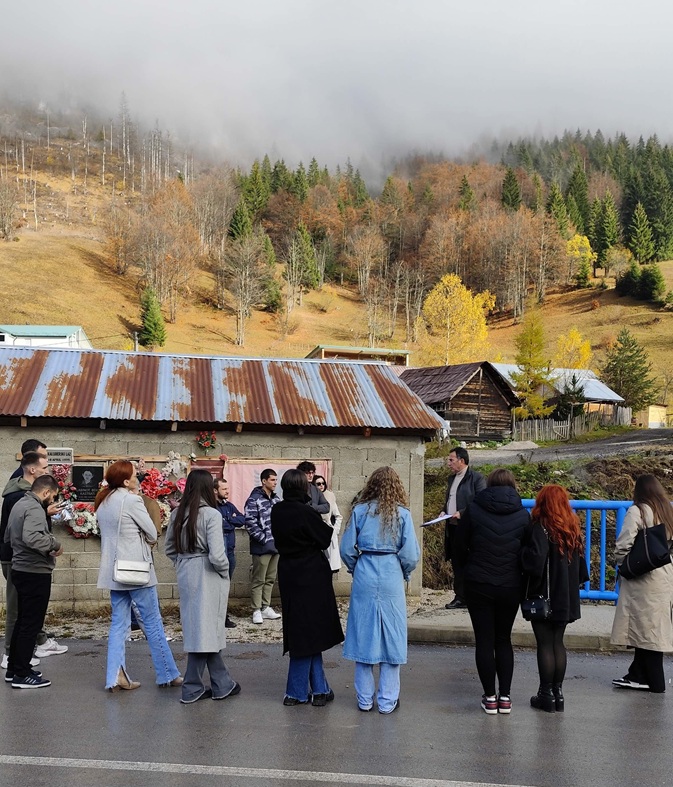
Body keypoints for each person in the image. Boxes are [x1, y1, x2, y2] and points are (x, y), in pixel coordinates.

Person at [96, 460, 181, 692]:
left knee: (118, 624)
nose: (138, 478)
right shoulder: (132, 500)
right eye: (135, 475)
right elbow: (152, 532)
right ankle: (167, 673)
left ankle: (115, 676)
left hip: (114, 571)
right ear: (126, 481)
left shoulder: (103, 502)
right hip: (136, 569)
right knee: (152, 622)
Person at [340, 466, 420, 713]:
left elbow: (346, 549)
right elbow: (410, 554)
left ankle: (365, 700)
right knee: (392, 635)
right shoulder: (402, 514)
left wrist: (356, 567)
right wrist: (404, 572)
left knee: (363, 633)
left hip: (365, 569)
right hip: (391, 571)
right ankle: (387, 701)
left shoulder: (360, 511)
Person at [454, 468, 530, 715]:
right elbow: (528, 551)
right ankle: (505, 697)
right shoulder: (523, 514)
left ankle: (489, 697)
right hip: (510, 585)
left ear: (489, 485)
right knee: (504, 639)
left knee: (484, 640)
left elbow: (459, 545)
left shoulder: (474, 510)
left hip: (479, 583)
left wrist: (466, 572)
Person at [165, 469, 240, 704]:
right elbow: (217, 555)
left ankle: (221, 683)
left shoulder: (177, 513)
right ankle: (193, 687)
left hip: (186, 570)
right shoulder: (211, 514)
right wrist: (224, 572)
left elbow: (169, 549)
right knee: (207, 629)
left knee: (201, 629)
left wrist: (184, 563)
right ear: (209, 488)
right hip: (207, 572)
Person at [271, 469, 343, 706]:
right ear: (304, 488)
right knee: (311, 630)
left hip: (288, 571)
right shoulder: (306, 512)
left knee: (301, 628)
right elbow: (324, 538)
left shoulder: (277, 510)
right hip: (311, 573)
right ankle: (299, 692)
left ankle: (318, 689)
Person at [521, 485, 590, 712]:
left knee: (544, 644)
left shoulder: (540, 527)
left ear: (542, 503)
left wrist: (522, 553)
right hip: (565, 597)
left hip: (544, 596)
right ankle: (558, 694)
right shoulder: (572, 528)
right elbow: (582, 570)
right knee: (558, 643)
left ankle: (545, 694)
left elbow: (534, 562)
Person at [1, 450, 67, 670]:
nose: (53, 500)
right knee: (27, 620)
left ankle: (15, 667)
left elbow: (9, 534)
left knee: (24, 619)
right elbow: (31, 537)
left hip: (20, 565)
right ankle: (20, 669)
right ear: (46, 492)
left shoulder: (20, 502)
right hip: (32, 568)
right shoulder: (30, 505)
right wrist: (54, 545)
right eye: (53, 496)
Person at [610, 474, 673, 694]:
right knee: (647, 627)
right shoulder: (667, 510)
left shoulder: (637, 511)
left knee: (647, 631)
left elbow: (623, 544)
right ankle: (636, 674)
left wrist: (624, 564)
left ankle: (655, 682)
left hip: (644, 579)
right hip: (664, 575)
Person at [442, 448, 486, 609]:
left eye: (451, 460)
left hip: (470, 528)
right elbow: (450, 500)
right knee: (457, 562)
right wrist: (444, 511)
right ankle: (461, 597)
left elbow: (481, 501)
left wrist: (462, 513)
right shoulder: (451, 479)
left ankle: (472, 596)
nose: (448, 463)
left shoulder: (476, 478)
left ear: (461, 461)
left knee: (470, 562)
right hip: (452, 527)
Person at [244, 468, 281, 625]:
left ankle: (266, 607)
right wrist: (264, 539)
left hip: (276, 546)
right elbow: (250, 522)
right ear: (264, 481)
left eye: (276, 480)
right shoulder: (254, 499)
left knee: (270, 578)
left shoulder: (276, 499)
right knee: (259, 579)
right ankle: (256, 609)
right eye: (272, 480)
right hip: (262, 547)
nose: (275, 483)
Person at [214, 478, 246, 628]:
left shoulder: (229, 506)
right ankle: (216, 617)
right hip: (219, 553)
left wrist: (228, 520)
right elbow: (219, 525)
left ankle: (223, 616)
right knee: (217, 586)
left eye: (228, 488)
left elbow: (242, 519)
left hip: (230, 552)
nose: (227, 491)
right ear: (215, 490)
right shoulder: (212, 508)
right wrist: (230, 521)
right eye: (224, 489)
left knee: (226, 586)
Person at [314, 475, 343, 574]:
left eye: (323, 483)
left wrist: (335, 531)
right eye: (318, 484)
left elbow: (338, 516)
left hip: (327, 531)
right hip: (314, 532)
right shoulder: (311, 497)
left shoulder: (330, 496)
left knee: (329, 567)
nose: (321, 486)